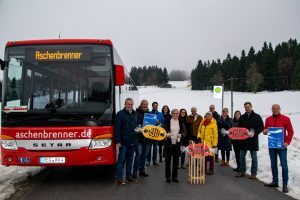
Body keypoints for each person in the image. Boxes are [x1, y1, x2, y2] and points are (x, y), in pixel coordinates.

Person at [263, 104, 294, 193]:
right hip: (272, 145)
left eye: (277, 108)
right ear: (271, 110)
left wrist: (287, 142)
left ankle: (285, 184)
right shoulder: (268, 119)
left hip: (282, 146)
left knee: (284, 165)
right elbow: (265, 130)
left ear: (280, 109)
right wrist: (265, 131)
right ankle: (275, 181)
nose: (275, 110)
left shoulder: (286, 119)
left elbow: (291, 131)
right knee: (273, 164)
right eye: (273, 108)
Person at [235, 102, 264, 179]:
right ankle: (242, 171)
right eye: (245, 107)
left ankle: (253, 173)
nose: (247, 108)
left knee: (254, 157)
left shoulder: (257, 116)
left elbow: (261, 127)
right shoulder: (242, 117)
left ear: (251, 107)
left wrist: (254, 133)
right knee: (241, 157)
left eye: (248, 107)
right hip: (243, 141)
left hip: (253, 140)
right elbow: (239, 128)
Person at [115, 98, 139, 186]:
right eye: (128, 104)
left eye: (131, 104)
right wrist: (118, 141)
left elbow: (136, 126)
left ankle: (128, 177)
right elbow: (117, 129)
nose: (130, 106)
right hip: (123, 141)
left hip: (133, 141)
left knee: (130, 159)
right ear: (125, 104)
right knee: (121, 160)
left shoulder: (134, 114)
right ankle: (120, 179)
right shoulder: (120, 114)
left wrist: (138, 129)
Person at [163, 109, 186, 183]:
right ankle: (168, 177)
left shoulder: (181, 121)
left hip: (177, 144)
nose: (176, 115)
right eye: (174, 113)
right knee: (168, 161)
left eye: (177, 113)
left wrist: (181, 134)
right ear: (172, 114)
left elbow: (184, 132)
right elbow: (163, 131)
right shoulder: (167, 121)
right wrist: (167, 134)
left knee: (176, 162)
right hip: (169, 144)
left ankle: (174, 177)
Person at [132, 100, 151, 179]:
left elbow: (152, 126)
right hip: (139, 138)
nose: (145, 105)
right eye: (143, 104)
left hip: (147, 139)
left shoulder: (150, 114)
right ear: (141, 104)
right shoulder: (136, 113)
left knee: (144, 155)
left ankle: (142, 170)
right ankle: (135, 171)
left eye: (146, 104)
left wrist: (156, 122)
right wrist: (138, 128)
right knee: (139, 155)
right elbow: (134, 124)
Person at [147, 102, 164, 166]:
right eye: (154, 105)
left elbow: (162, 123)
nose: (155, 107)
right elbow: (146, 122)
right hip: (149, 133)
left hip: (156, 134)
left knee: (155, 148)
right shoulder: (149, 113)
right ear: (152, 106)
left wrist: (158, 122)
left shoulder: (160, 114)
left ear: (158, 106)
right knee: (148, 148)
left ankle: (154, 161)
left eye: (156, 106)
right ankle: (148, 161)